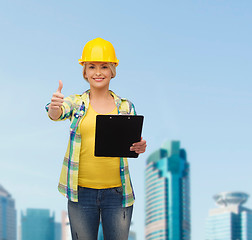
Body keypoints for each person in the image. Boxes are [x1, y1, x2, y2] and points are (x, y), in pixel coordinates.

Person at [45, 37, 147, 240]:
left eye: (104, 67)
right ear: (85, 71)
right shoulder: (76, 103)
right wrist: (55, 107)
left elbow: (133, 142)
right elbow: (56, 113)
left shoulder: (126, 107)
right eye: (92, 67)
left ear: (112, 71)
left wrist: (140, 146)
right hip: (81, 193)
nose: (98, 72)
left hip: (117, 194)